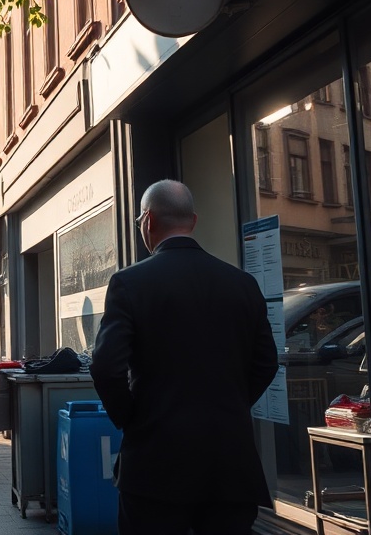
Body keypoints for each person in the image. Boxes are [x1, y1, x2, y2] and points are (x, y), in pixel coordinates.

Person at [90, 179, 278, 535]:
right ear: (192, 222)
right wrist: (232, 402)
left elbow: (105, 367)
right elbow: (266, 362)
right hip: (231, 465)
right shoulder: (242, 283)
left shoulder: (129, 283)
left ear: (147, 221)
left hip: (156, 466)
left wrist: (132, 417)